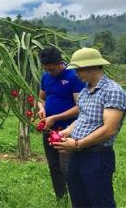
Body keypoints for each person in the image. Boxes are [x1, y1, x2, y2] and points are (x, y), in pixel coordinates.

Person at [53, 47, 126, 208]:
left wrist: (78, 143)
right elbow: (83, 118)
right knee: (79, 200)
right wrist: (67, 131)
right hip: (78, 154)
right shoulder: (85, 91)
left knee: (100, 201)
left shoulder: (112, 91)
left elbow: (110, 129)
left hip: (97, 156)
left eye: (79, 69)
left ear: (93, 67)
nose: (76, 73)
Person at [37, 47, 86, 200]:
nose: (50, 72)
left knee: (68, 166)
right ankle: (61, 197)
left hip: (68, 128)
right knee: (53, 164)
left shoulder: (74, 76)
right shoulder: (45, 77)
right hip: (49, 127)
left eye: (52, 69)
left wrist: (56, 117)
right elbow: (41, 98)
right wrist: (41, 109)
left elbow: (80, 107)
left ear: (59, 63)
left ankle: (76, 197)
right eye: (47, 69)